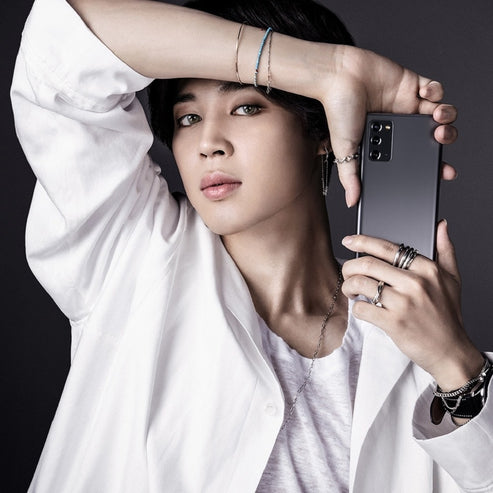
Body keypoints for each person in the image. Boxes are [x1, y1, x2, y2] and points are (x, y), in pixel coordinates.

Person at [10, 0, 493, 491]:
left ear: (324, 131)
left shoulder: (408, 339)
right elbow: (59, 45)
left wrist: (458, 368)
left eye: (245, 107)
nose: (209, 143)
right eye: (187, 118)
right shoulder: (132, 252)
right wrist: (327, 70)